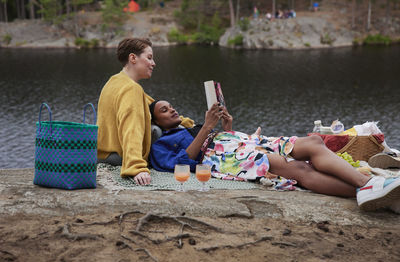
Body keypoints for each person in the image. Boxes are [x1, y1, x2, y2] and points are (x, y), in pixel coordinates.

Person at [149, 100, 400, 211]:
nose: (171, 109)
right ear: (154, 119)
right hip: (218, 157)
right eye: (164, 109)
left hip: (236, 142)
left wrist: (227, 127)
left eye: (171, 106)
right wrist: (206, 128)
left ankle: (372, 189)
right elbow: (182, 164)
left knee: (312, 142)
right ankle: (369, 187)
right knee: (298, 170)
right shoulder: (161, 144)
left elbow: (217, 138)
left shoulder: (186, 127)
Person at [97, 38, 193, 185]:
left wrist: (185, 122)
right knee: (157, 131)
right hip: (118, 156)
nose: (153, 63)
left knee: (160, 124)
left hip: (102, 153)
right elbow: (131, 128)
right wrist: (136, 167)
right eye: (149, 58)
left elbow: (149, 103)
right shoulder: (131, 88)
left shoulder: (115, 81)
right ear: (133, 58)